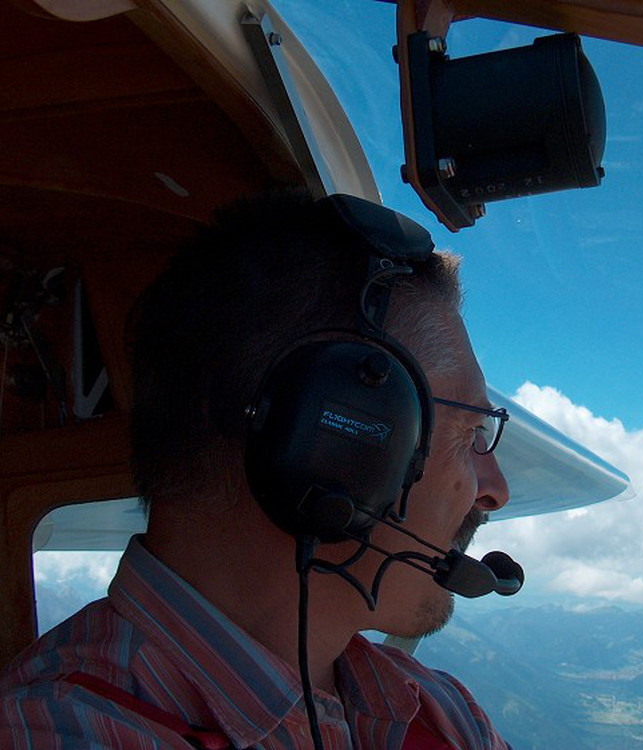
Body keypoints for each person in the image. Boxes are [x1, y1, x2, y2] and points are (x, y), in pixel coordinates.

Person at [0, 189, 513, 749]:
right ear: (323, 439)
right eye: (471, 434)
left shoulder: (438, 711)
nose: (496, 491)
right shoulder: (62, 730)